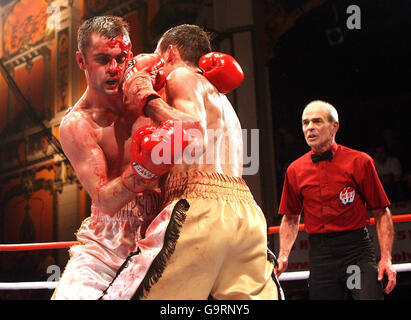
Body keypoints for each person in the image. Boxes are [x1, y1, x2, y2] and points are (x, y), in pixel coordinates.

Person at [98, 24, 282, 300]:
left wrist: (145, 95)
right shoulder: (222, 100)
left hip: (198, 211)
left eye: (158, 58)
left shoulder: (182, 75)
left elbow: (191, 132)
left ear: (170, 52)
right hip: (248, 217)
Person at [52, 16, 165, 300]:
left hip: (166, 220)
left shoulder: (147, 84)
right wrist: (148, 168)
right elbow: (105, 199)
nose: (115, 69)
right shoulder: (78, 124)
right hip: (110, 236)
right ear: (81, 61)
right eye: (103, 59)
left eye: (121, 58)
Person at [275, 100, 396, 300]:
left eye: (317, 121)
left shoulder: (360, 162)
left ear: (334, 127)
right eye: (305, 123)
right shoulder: (295, 170)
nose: (310, 128)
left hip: (356, 252)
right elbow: (290, 218)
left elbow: (381, 212)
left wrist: (387, 258)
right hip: (321, 256)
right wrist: (284, 254)